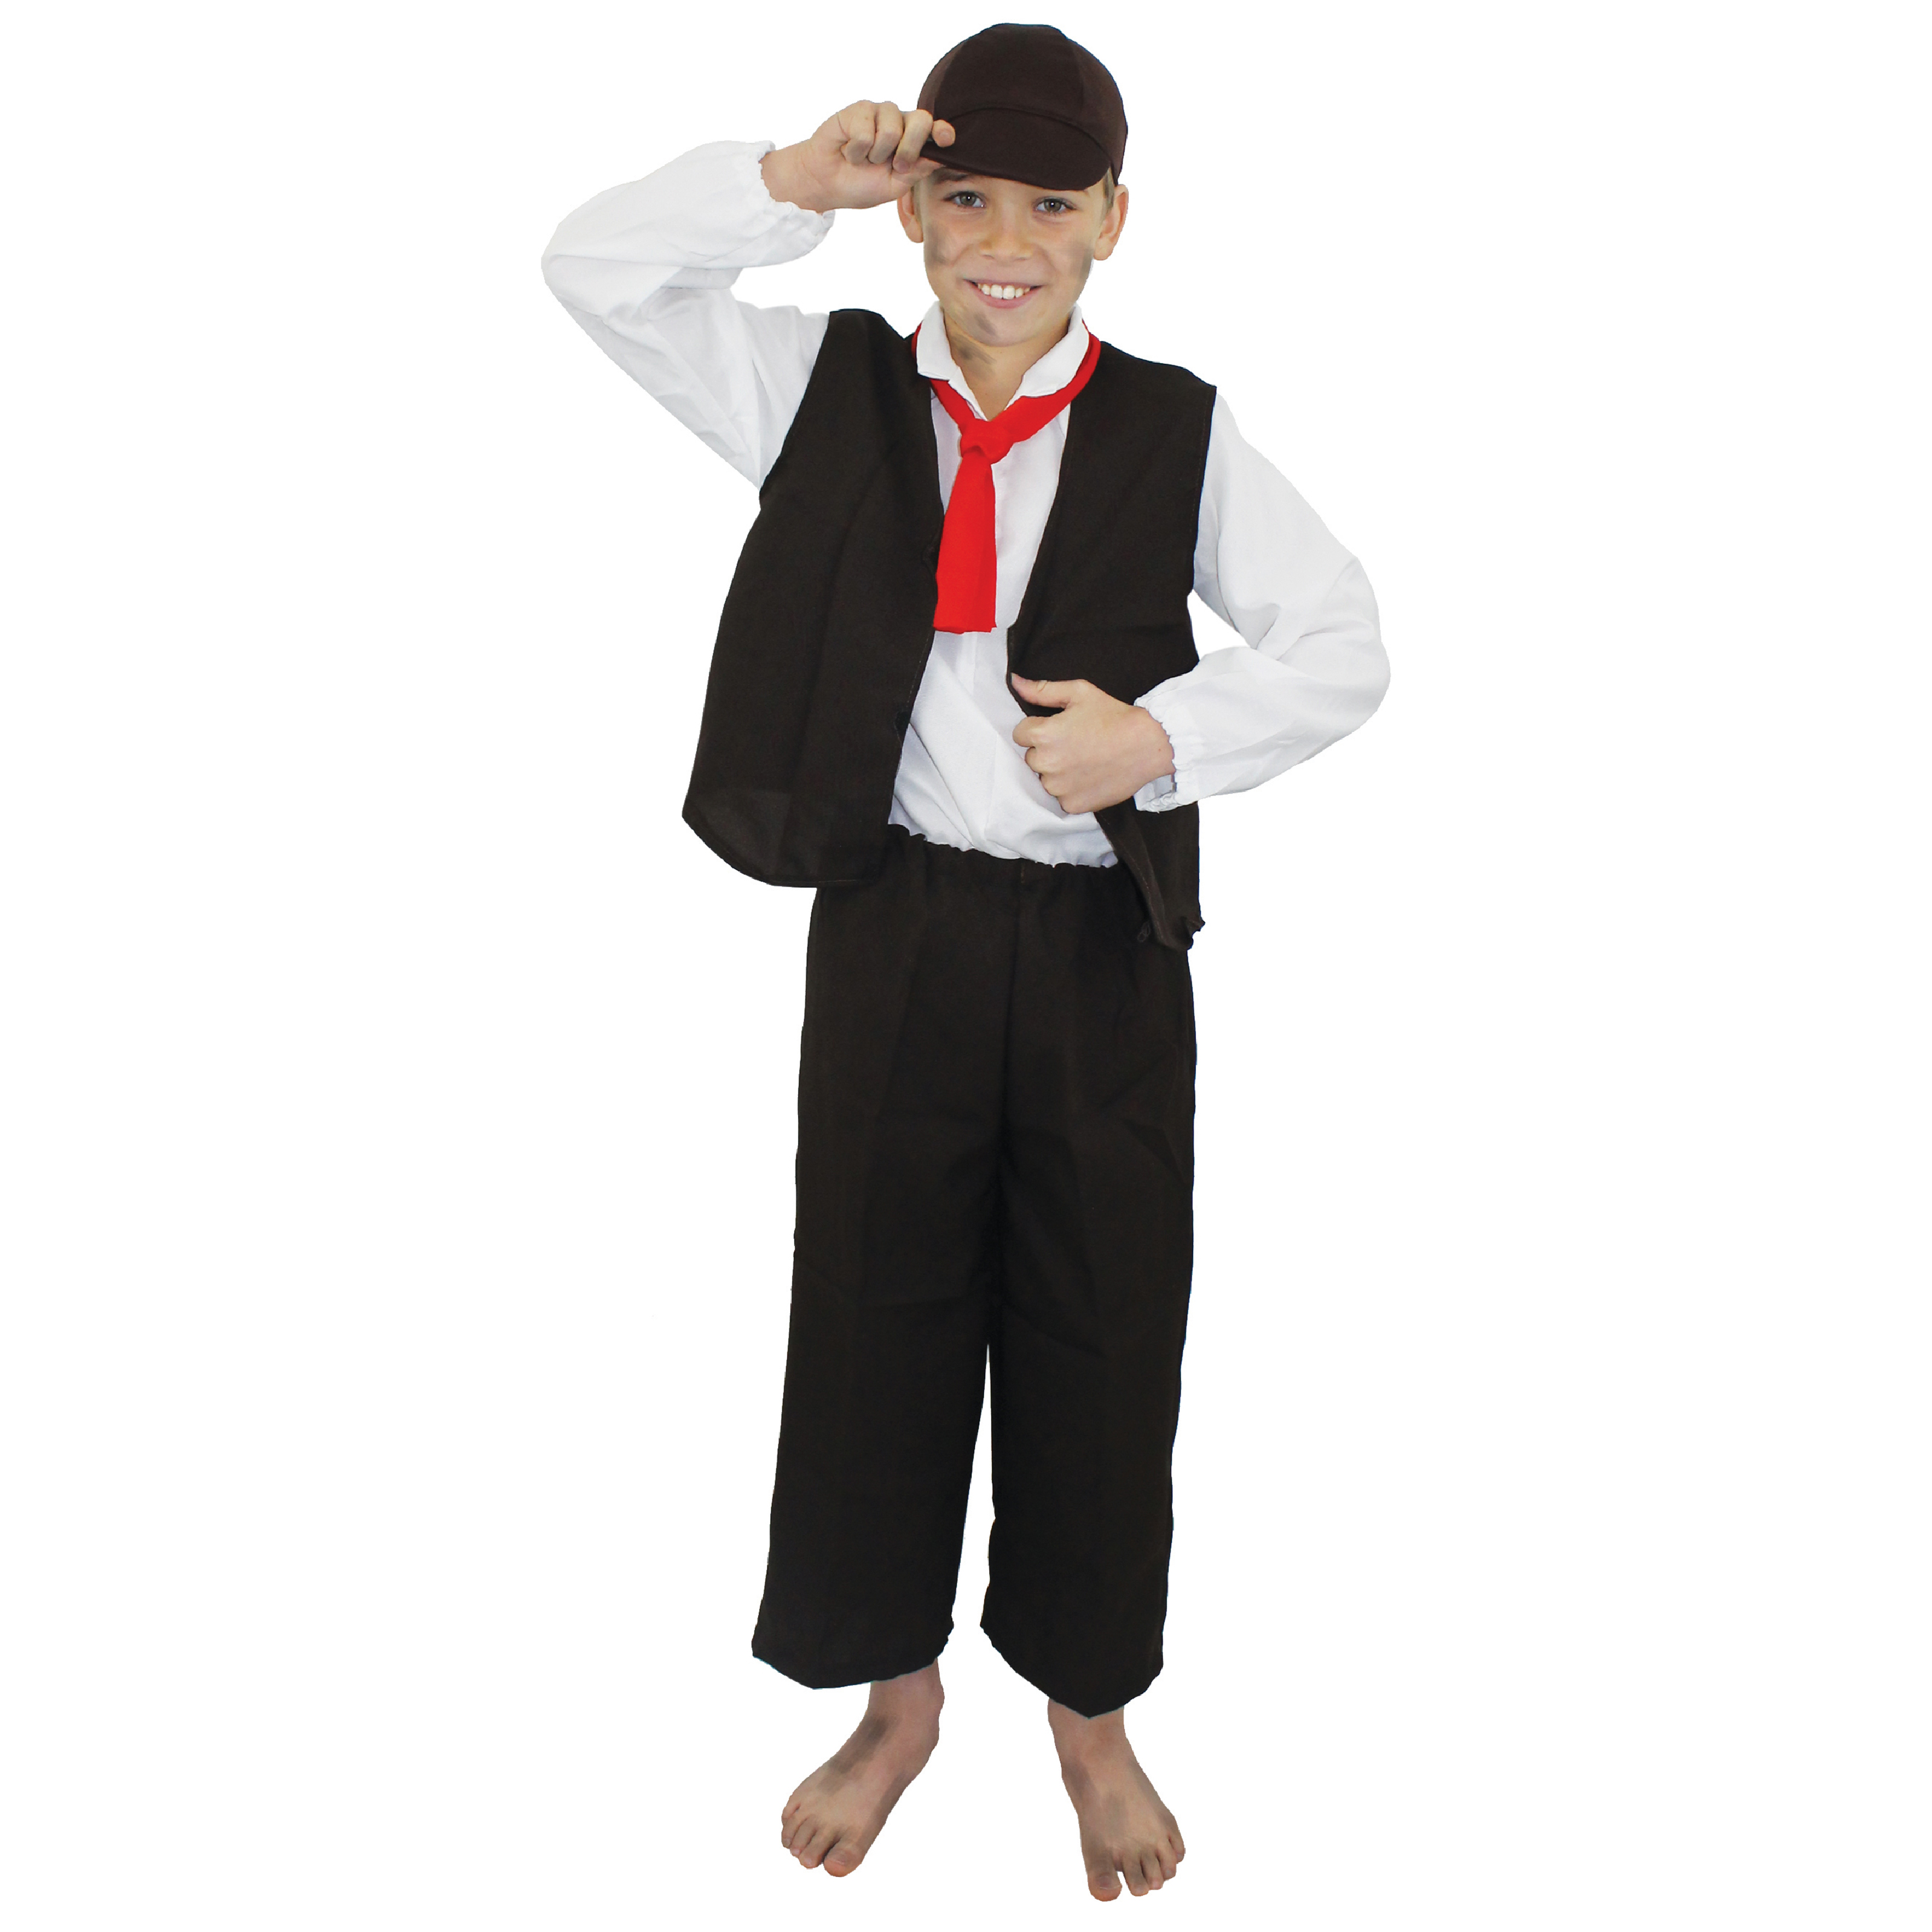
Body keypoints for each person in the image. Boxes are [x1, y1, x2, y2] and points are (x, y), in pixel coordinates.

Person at [541, 23, 1388, 1901]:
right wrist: (788, 183)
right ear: (916, 208)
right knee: (873, 1309)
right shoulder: (815, 389)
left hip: (1096, 950)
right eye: (969, 198)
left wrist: (1159, 741)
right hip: (897, 927)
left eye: (1052, 207)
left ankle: (1089, 1710)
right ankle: (896, 1696)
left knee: (1105, 1320)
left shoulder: (1174, 431)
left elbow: (1344, 642)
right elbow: (595, 269)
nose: (1007, 242)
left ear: (1114, 223)